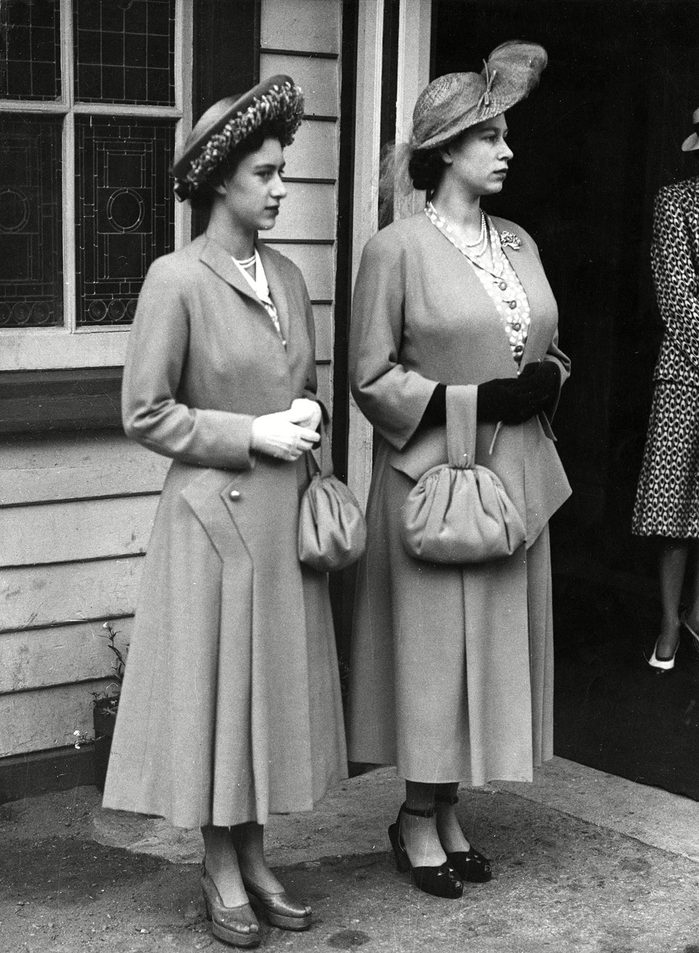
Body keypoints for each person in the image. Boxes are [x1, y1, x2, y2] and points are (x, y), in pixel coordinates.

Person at [102, 76, 347, 947]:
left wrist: (307, 413)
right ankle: (218, 861)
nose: (281, 188)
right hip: (212, 525)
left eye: (284, 171)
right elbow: (145, 411)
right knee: (218, 698)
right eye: (265, 173)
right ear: (219, 182)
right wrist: (252, 432)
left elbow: (300, 382)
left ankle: (255, 851)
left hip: (278, 524)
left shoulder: (285, 272)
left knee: (263, 696)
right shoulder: (176, 278)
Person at [348, 42, 571, 899]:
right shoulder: (396, 249)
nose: (507, 151)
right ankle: (414, 815)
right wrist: (480, 399)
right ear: (445, 151)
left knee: (483, 657)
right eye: (489, 137)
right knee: (434, 654)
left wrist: (550, 381)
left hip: (510, 484)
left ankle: (444, 812)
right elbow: (371, 378)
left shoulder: (518, 239)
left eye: (506, 135)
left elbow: (540, 349)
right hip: (432, 482)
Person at [632, 107, 699, 673]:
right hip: (685, 372)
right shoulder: (676, 202)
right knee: (673, 507)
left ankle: (698, 611)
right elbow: (677, 296)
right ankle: (670, 621)